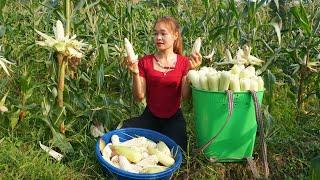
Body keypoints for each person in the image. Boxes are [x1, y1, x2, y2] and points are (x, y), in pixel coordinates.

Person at [123, 16, 201, 152]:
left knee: (178, 152)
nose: (158, 37)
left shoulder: (184, 63)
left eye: (163, 33)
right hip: (150, 116)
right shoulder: (144, 62)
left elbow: (185, 95)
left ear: (175, 35)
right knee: (123, 134)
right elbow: (139, 97)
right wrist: (135, 73)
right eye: (156, 33)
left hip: (174, 117)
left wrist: (192, 71)